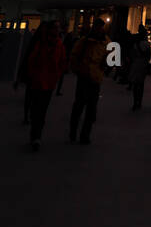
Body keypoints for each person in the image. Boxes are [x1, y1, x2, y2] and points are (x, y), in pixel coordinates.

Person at [26, 20, 67, 150]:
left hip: (46, 81)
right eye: (56, 28)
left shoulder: (54, 43)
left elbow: (61, 61)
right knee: (39, 110)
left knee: (40, 110)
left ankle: (36, 135)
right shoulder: (46, 43)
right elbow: (33, 59)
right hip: (41, 80)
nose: (58, 30)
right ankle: (36, 135)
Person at [68, 17, 109, 145]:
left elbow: (111, 58)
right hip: (85, 76)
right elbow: (74, 56)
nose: (99, 29)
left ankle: (84, 135)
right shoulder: (86, 41)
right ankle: (75, 133)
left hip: (94, 78)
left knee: (89, 109)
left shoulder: (103, 42)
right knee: (80, 107)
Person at [128, 26, 151, 110]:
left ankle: (135, 102)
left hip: (136, 63)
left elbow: (132, 54)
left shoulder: (135, 44)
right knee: (141, 84)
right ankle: (139, 102)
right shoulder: (147, 44)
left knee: (135, 84)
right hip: (143, 64)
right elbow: (149, 56)